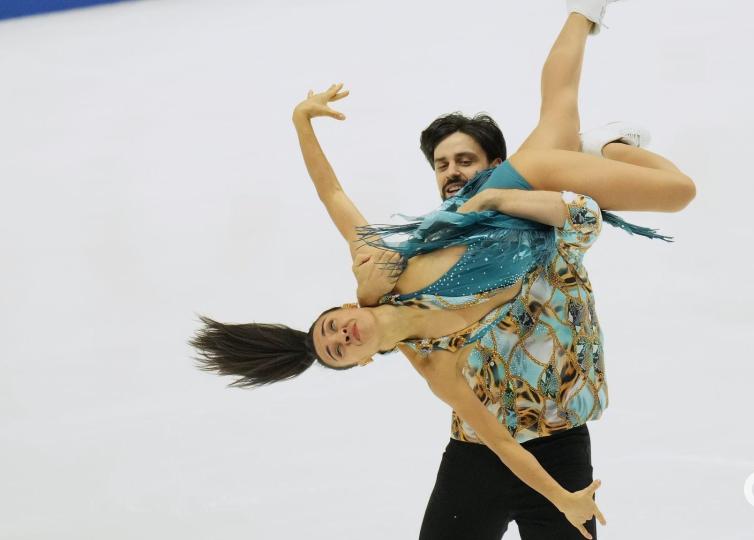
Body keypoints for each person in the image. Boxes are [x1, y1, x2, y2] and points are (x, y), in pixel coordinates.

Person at [190, 2, 696, 538]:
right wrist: (563, 500)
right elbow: (499, 441)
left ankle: (597, 121)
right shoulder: (437, 364)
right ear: (360, 363)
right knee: (561, 109)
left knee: (674, 189)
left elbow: (333, 194)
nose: (342, 335)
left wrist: (301, 121)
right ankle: (582, 41)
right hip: (531, 242)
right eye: (339, 348)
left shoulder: (381, 270)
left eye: (330, 327)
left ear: (342, 307)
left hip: (530, 184)